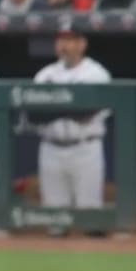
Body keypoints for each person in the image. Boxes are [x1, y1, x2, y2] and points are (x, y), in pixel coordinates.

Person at [30, 19, 113, 218]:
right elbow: (34, 114)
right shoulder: (44, 75)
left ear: (82, 44)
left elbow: (87, 113)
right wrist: (69, 107)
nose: (64, 45)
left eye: (70, 40)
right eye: (61, 40)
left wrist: (53, 107)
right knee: (55, 218)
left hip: (84, 149)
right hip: (51, 149)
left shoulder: (96, 74)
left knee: (90, 216)